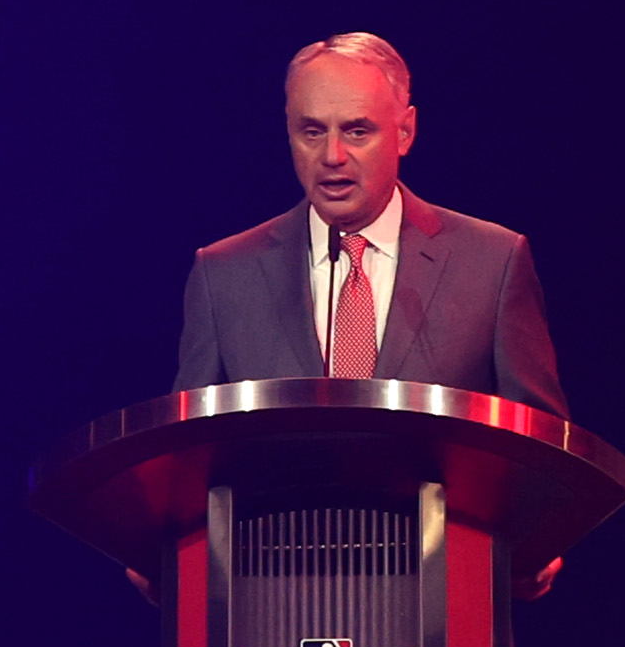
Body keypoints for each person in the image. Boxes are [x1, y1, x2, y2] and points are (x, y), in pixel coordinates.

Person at [171, 33, 569, 411]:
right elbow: (186, 452)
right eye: (312, 131)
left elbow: (539, 449)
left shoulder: (492, 263)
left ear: (405, 132)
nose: (333, 155)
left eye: (357, 131)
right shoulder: (223, 275)